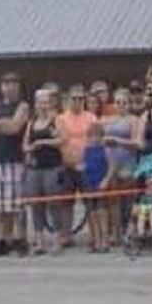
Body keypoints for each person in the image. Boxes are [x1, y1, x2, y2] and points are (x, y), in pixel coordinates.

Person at [0, 73, 30, 257]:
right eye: (6, 84)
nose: (9, 87)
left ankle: (21, 238)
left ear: (18, 87)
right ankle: (3, 238)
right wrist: (3, 123)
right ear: (1, 87)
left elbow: (15, 128)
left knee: (17, 203)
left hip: (15, 158)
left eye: (13, 84)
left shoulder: (23, 106)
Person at [54, 85, 98, 249]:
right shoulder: (60, 118)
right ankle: (66, 235)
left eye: (81, 99)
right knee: (66, 203)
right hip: (67, 166)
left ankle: (95, 236)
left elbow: (95, 140)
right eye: (74, 98)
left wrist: (87, 162)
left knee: (90, 202)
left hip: (87, 166)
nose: (78, 102)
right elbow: (61, 142)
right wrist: (71, 162)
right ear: (68, 100)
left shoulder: (92, 118)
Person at [23, 89, 64, 256]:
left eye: (46, 102)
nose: (43, 105)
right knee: (36, 204)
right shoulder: (31, 123)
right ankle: (39, 240)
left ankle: (57, 238)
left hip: (52, 167)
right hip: (35, 168)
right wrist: (31, 147)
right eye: (40, 102)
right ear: (36, 104)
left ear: (51, 103)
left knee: (54, 204)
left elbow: (62, 140)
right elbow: (25, 146)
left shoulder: (56, 120)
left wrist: (43, 141)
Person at [103, 89, 139, 247]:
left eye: (124, 102)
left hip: (128, 161)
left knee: (129, 200)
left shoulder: (134, 120)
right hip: (111, 162)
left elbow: (137, 143)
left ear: (129, 104)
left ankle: (128, 230)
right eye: (118, 102)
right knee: (113, 200)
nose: (121, 105)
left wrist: (118, 141)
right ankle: (116, 232)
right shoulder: (107, 120)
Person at [82, 123, 111, 253]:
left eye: (97, 135)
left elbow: (112, 166)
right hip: (89, 182)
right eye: (92, 136)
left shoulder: (105, 149)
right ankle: (96, 239)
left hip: (100, 182)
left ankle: (105, 239)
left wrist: (106, 180)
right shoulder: (86, 150)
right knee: (91, 211)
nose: (94, 138)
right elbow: (84, 165)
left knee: (101, 210)